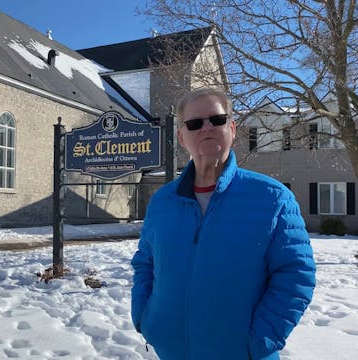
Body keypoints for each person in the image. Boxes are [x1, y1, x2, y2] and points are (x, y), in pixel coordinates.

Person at [130, 88, 316, 360]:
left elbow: (296, 274)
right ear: (182, 137)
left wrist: (260, 340)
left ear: (232, 127)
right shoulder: (162, 201)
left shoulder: (272, 198)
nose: (206, 128)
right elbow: (145, 263)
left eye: (216, 120)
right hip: (170, 351)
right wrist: (144, 317)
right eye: (194, 124)